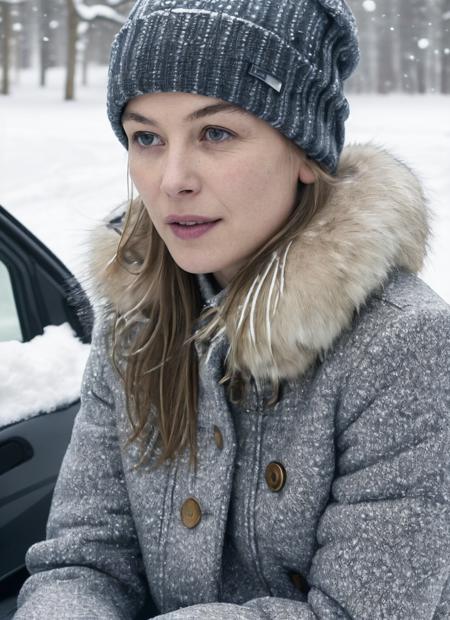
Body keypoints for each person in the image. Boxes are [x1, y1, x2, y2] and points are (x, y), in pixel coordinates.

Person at [14, 0, 450, 618]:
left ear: (305, 152)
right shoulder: (136, 318)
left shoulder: (405, 346)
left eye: (215, 133)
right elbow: (86, 558)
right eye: (146, 138)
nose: (172, 180)